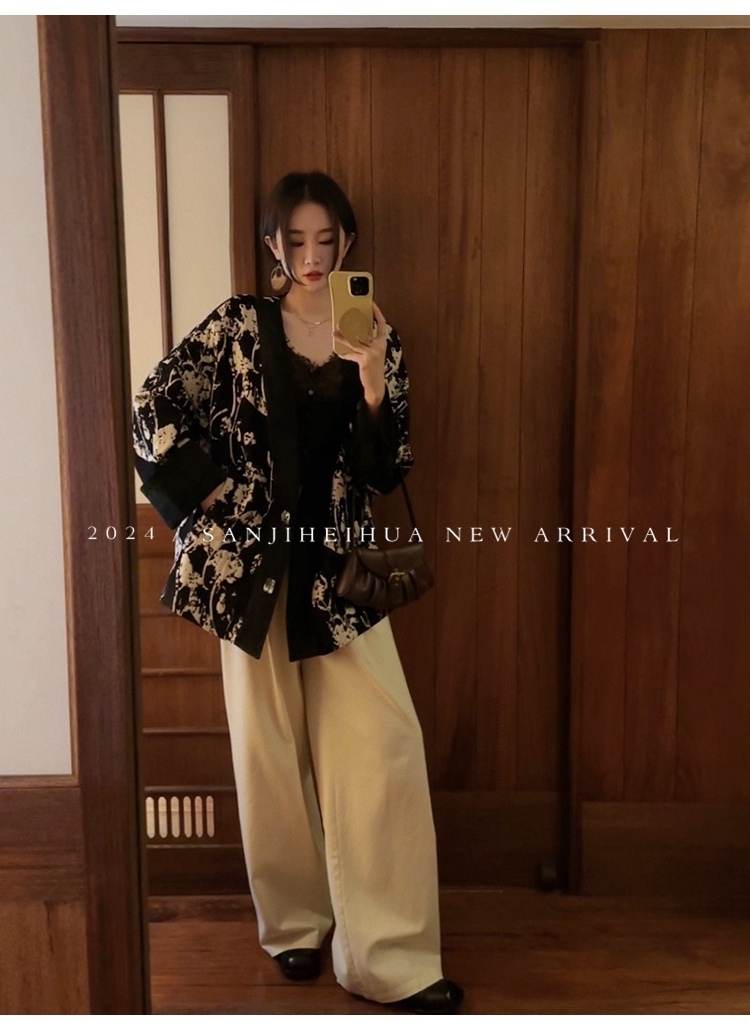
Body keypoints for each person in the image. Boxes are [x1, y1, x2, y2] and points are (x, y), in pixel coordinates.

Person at [132, 171, 464, 1014]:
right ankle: (294, 926)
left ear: (348, 241)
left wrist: (373, 383)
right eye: (296, 240)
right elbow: (153, 407)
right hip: (252, 570)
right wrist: (208, 493)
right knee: (269, 754)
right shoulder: (238, 327)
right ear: (273, 245)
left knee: (383, 750)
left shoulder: (375, 332)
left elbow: (388, 469)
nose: (312, 257)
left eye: (327, 239)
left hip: (341, 571)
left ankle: (389, 958)